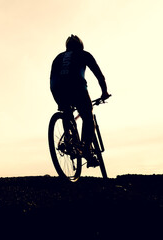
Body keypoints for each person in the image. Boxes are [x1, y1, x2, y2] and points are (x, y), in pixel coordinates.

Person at [50, 34, 110, 167]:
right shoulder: (84, 54)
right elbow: (99, 75)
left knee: (67, 112)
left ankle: (69, 139)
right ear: (81, 45)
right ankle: (86, 150)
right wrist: (104, 92)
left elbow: (52, 77)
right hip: (77, 86)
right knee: (88, 118)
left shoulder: (58, 57)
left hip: (56, 88)